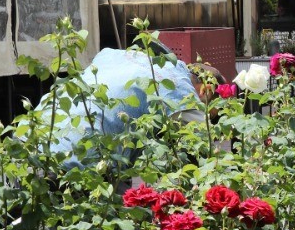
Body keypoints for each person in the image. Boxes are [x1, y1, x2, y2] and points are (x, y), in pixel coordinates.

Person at [46, 42, 221, 170]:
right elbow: (203, 148)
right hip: (76, 164)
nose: (208, 118)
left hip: (34, 138)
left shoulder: (116, 55)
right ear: (205, 91)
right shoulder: (177, 84)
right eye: (210, 114)